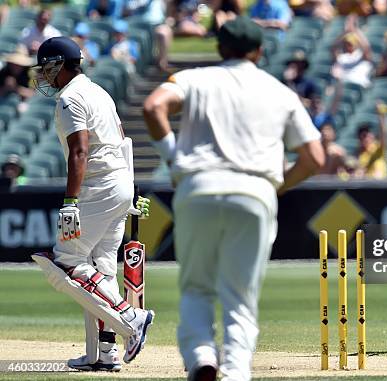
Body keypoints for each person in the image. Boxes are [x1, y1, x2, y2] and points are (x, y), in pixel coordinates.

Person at [142, 16, 324, 381]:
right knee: (240, 297)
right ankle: (236, 372)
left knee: (196, 286)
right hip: (255, 192)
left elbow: (152, 107)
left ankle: (201, 357)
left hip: (198, 186)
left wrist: (174, 158)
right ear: (259, 51)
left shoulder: (196, 79)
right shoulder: (280, 91)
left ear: (220, 47)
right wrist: (276, 186)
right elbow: (315, 158)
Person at [30, 36, 154, 372]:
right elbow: (122, 139)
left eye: (46, 68)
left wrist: (70, 202)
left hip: (97, 187)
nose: (43, 75)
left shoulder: (70, 99)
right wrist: (131, 191)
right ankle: (103, 353)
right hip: (119, 184)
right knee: (100, 267)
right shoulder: (99, 91)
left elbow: (79, 151)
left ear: (57, 65)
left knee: (65, 263)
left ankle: (131, 319)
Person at [331, 15, 373, 88]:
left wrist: (355, 29)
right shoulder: (342, 57)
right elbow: (333, 48)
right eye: (347, 43)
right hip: (344, 86)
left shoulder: (360, 55)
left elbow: (366, 48)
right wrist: (345, 31)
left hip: (359, 86)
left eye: (351, 43)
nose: (349, 46)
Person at [354, 102, 387, 178]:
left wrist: (381, 116)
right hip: (368, 187)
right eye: (363, 136)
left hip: (381, 185)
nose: (366, 138)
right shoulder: (360, 155)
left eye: (367, 135)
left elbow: (384, 133)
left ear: (372, 136)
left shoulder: (378, 149)